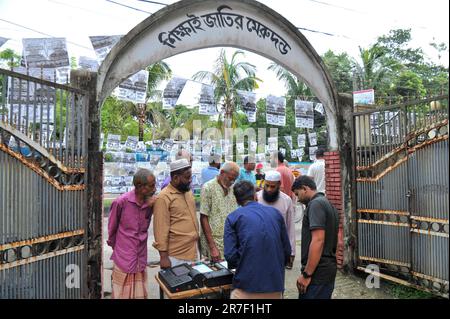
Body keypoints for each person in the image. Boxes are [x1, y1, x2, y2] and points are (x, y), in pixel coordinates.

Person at [224, 181, 291, 299]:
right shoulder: (275, 213)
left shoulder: (233, 217)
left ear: (237, 200)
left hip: (245, 286)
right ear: (255, 196)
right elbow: (287, 251)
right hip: (275, 285)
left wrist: (247, 263)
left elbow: (230, 256)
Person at [107, 168, 156, 299]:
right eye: (151, 186)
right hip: (124, 257)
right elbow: (111, 230)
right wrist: (119, 249)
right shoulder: (121, 202)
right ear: (140, 187)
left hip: (140, 256)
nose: (154, 189)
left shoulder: (150, 203)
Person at [291, 176, 338, 299]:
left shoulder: (315, 204)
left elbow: (318, 240)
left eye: (297, 194)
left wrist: (306, 275)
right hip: (326, 270)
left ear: (305, 188)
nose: (298, 199)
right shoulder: (327, 203)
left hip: (317, 274)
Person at [153, 159, 200, 268]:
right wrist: (164, 258)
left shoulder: (188, 192)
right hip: (175, 256)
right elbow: (160, 230)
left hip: (193, 251)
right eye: (187, 178)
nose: (190, 181)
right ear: (175, 178)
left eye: (190, 177)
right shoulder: (164, 197)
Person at [200, 162, 239, 262]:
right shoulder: (208, 188)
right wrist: (212, 247)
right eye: (230, 178)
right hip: (214, 243)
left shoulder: (233, 189)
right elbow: (204, 217)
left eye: (234, 179)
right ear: (222, 173)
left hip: (229, 242)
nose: (232, 182)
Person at [257, 170, 296, 270]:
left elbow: (290, 227)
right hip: (259, 246)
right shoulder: (256, 198)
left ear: (279, 184)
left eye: (273, 186)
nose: (269, 189)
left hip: (278, 247)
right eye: (267, 185)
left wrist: (291, 252)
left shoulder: (286, 200)